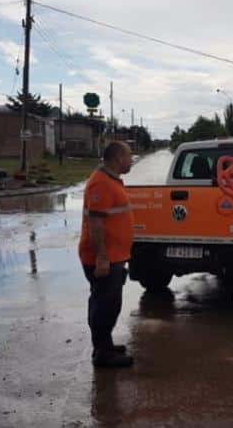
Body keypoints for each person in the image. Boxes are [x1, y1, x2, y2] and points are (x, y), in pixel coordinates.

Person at [78, 141, 135, 368]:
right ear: (118, 157)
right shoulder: (100, 184)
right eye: (129, 156)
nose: (131, 160)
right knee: (105, 305)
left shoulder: (111, 181)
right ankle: (103, 353)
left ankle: (105, 345)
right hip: (103, 258)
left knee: (108, 304)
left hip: (113, 256)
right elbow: (96, 224)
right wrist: (102, 257)